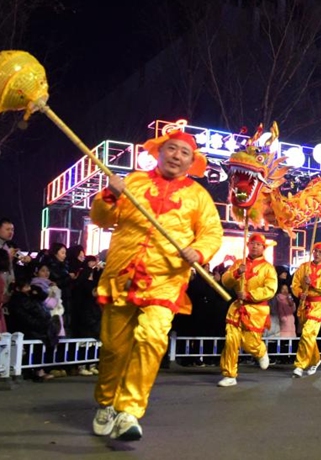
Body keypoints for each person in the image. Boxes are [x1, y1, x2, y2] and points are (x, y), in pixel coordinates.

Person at [89, 129, 222, 441]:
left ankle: (129, 410)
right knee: (113, 349)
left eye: (184, 153)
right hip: (122, 276)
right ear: (159, 152)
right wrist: (109, 196)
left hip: (165, 279)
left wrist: (199, 251)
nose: (176, 156)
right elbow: (101, 219)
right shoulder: (133, 182)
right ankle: (106, 402)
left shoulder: (198, 196)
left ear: (191, 161)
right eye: (171, 149)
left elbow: (212, 233)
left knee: (152, 338)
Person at [217, 234, 277, 387]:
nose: (255, 246)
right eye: (252, 243)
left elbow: (270, 289)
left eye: (258, 244)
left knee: (249, 343)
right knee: (231, 340)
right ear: (248, 245)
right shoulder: (239, 263)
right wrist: (237, 273)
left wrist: (249, 295)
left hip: (256, 310)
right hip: (237, 307)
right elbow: (225, 281)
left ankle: (260, 351)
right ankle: (229, 375)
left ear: (263, 248)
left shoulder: (268, 268)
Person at [290, 242, 321, 378]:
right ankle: (315, 360)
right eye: (315, 251)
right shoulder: (304, 267)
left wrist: (313, 284)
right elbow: (295, 284)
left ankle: (300, 365)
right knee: (309, 335)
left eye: (320, 252)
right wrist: (299, 293)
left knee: (307, 333)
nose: (317, 254)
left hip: (318, 305)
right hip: (304, 304)